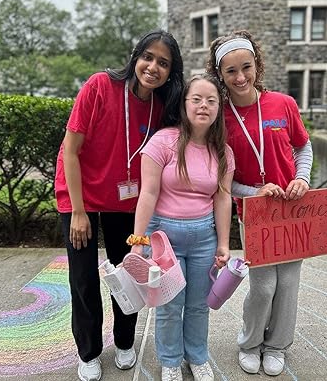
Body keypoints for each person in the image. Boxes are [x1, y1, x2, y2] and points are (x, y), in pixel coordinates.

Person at [54, 29, 184, 381]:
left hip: (124, 203)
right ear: (135, 56)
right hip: (80, 195)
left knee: (128, 272)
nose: (153, 67)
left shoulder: (163, 106)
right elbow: (71, 149)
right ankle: (89, 352)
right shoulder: (100, 86)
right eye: (148, 57)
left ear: (171, 72)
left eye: (163, 63)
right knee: (82, 279)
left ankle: (125, 342)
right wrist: (79, 212)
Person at [206, 30, 313, 377]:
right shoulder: (219, 117)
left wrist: (302, 178)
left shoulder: (283, 104)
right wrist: (253, 192)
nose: (240, 77)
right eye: (230, 71)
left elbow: (303, 147)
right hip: (254, 212)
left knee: (289, 284)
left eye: (246, 67)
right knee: (264, 285)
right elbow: (222, 179)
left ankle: (277, 346)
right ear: (219, 75)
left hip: (292, 209)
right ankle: (250, 343)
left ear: (257, 65)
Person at [128, 73, 235, 381]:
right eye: (197, 99)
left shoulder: (223, 152)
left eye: (211, 100)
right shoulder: (163, 141)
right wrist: (138, 241)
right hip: (165, 238)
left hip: (204, 238)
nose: (204, 106)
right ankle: (171, 360)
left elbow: (223, 199)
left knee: (200, 305)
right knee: (170, 306)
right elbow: (147, 193)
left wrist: (223, 244)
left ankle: (197, 356)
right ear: (184, 104)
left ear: (218, 108)